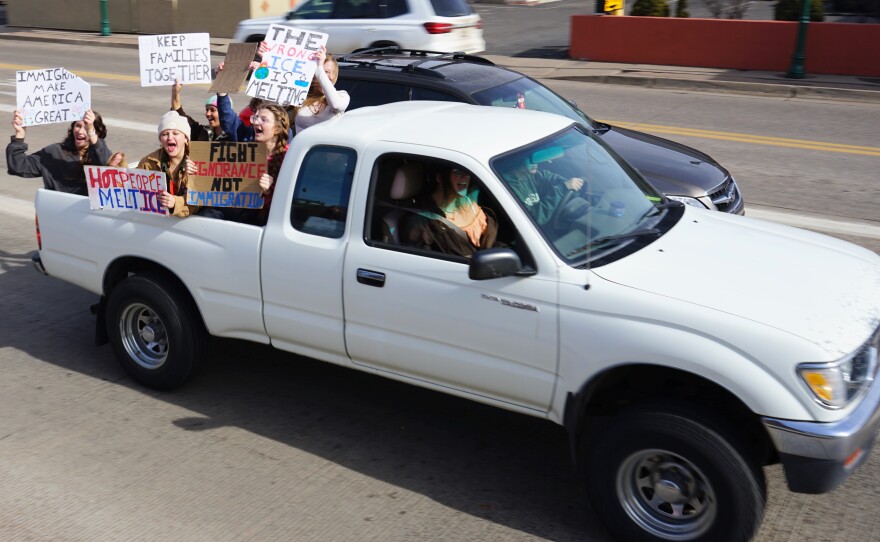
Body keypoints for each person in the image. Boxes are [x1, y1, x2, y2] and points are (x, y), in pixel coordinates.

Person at [6, 109, 113, 195]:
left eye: (86, 127)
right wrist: (20, 134)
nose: (80, 131)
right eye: (78, 126)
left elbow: (106, 165)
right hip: (58, 214)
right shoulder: (54, 152)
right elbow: (19, 166)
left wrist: (91, 132)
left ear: (97, 133)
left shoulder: (101, 153)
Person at [403, 165, 498, 257]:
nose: (465, 176)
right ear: (439, 178)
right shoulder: (420, 221)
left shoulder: (468, 204)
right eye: (458, 172)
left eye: (467, 172)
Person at [137, 111, 198, 218]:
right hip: (157, 223)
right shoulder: (148, 163)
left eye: (175, 133)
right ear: (161, 139)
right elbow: (130, 189)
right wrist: (118, 168)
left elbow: (199, 202)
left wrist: (175, 203)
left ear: (186, 139)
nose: (170, 138)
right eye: (165, 134)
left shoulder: (198, 162)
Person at [500, 155, 584, 226]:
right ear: (517, 160)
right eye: (530, 159)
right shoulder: (508, 188)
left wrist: (573, 184)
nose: (535, 162)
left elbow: (549, 177)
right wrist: (563, 188)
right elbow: (534, 219)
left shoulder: (530, 175)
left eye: (535, 157)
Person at [292, 46, 350, 134]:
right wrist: (266, 60)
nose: (329, 77)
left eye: (331, 72)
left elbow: (336, 105)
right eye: (324, 72)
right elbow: (273, 109)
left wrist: (319, 67)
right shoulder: (300, 96)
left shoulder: (342, 96)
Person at [250, 104, 291, 226]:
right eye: (255, 118)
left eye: (263, 119)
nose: (256, 123)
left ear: (277, 129)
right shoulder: (246, 152)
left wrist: (270, 191)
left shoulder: (290, 156)